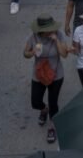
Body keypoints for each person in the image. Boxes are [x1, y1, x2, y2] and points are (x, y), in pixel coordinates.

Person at [22, 14, 69, 143]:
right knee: (35, 101)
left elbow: (64, 54)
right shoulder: (33, 37)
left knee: (53, 102)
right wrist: (32, 52)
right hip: (39, 74)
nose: (51, 31)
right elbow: (25, 53)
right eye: (48, 29)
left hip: (56, 74)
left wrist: (56, 40)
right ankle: (44, 109)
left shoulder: (58, 35)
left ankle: (52, 127)